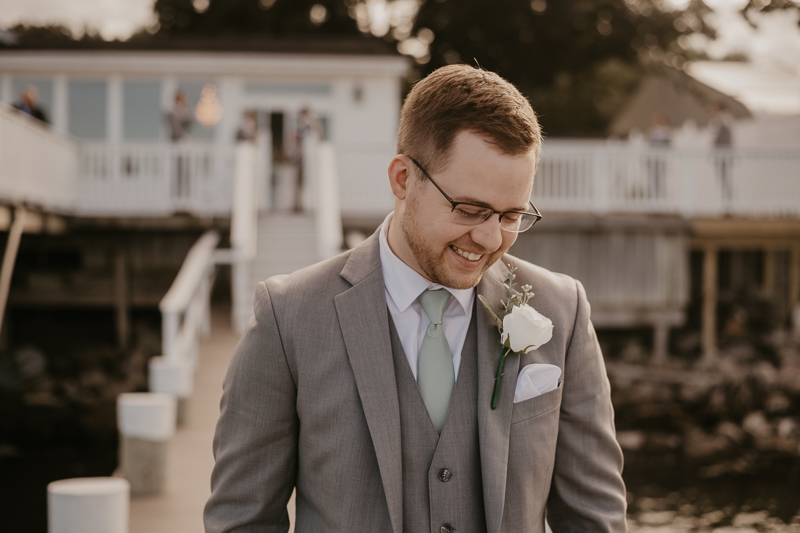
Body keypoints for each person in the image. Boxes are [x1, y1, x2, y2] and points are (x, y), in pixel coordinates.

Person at [204, 65, 627, 533]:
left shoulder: (562, 310)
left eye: (511, 215)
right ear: (403, 179)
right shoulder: (287, 318)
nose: (489, 238)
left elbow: (595, 520)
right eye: (470, 209)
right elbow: (242, 521)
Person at [711, 103, 734, 208]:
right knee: (722, 180)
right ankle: (725, 204)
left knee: (726, 180)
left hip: (725, 156)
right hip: (720, 156)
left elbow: (726, 137)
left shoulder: (725, 120)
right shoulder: (717, 121)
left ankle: (728, 205)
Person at [647, 112, 670, 199]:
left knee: (660, 177)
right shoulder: (653, 131)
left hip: (661, 158)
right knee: (654, 177)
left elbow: (667, 144)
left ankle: (660, 195)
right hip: (653, 159)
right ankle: (654, 194)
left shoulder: (665, 132)